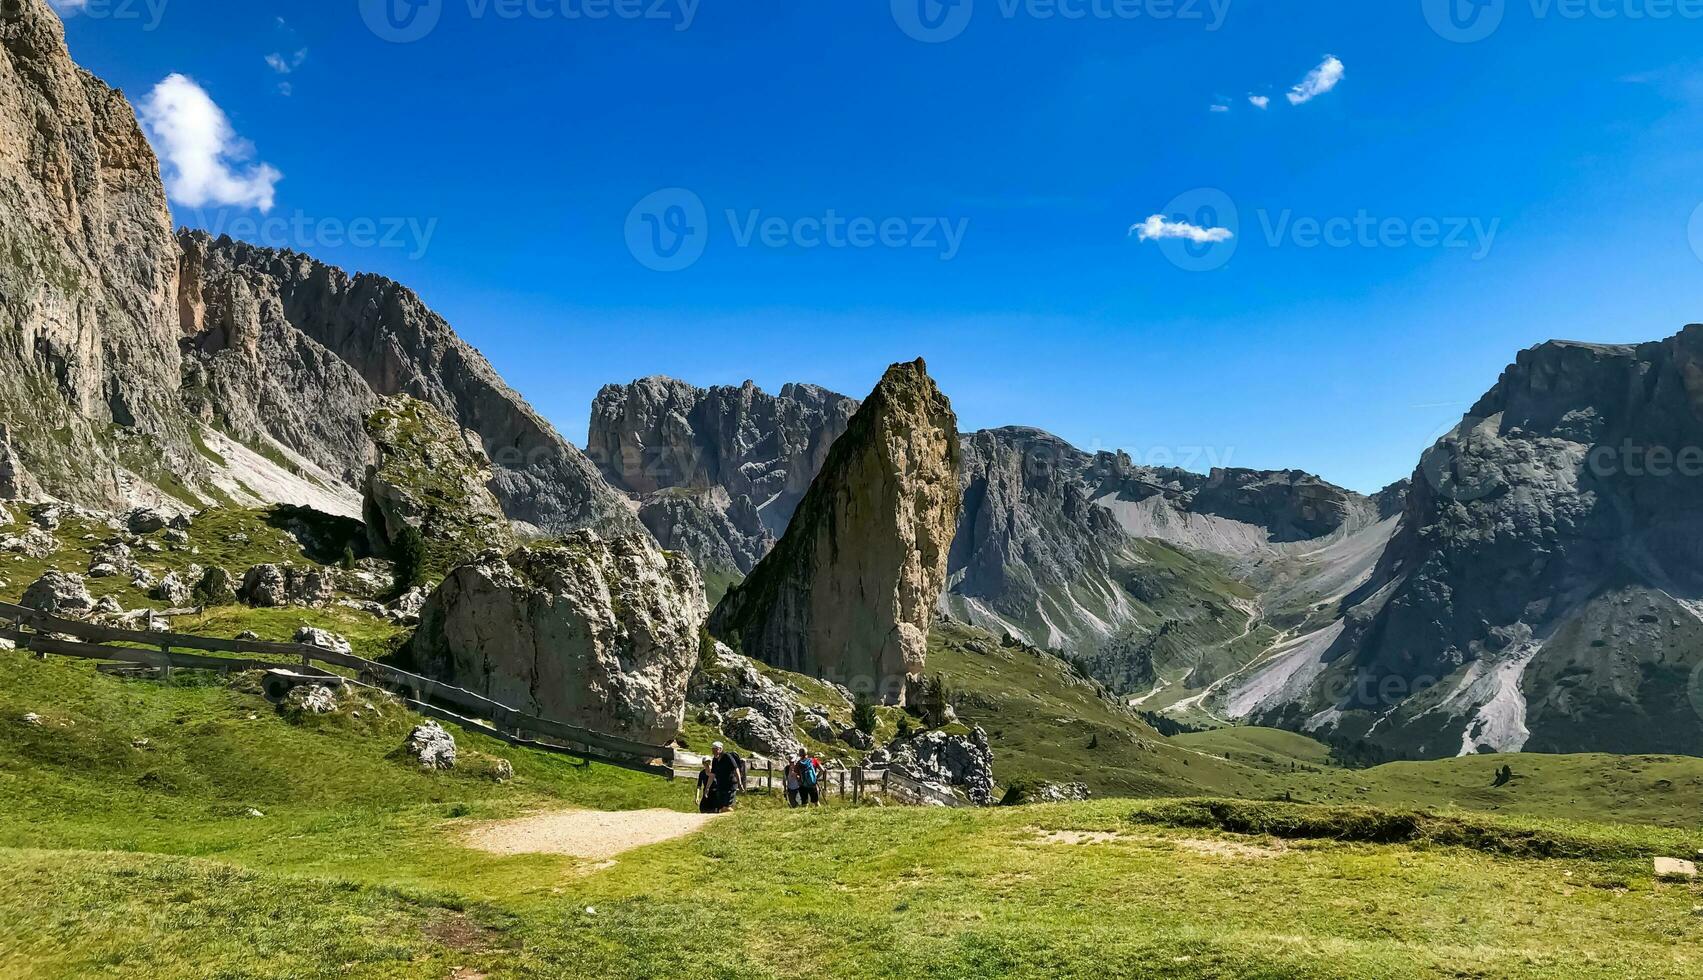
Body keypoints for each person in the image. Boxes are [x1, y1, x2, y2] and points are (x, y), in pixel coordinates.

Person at [708, 741, 744, 813]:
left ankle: (735, 816)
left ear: (721, 749)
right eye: (713, 750)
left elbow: (736, 769)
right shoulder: (715, 760)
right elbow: (712, 775)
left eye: (716, 750)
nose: (714, 752)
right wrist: (707, 788)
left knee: (727, 807)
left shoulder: (727, 757)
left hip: (730, 785)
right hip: (720, 786)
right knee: (721, 807)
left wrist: (740, 784)